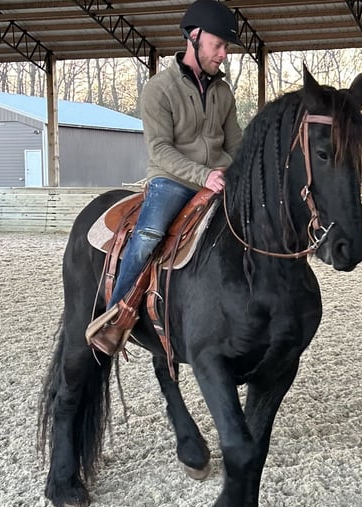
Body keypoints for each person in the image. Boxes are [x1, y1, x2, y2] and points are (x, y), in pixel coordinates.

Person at [87, 0, 244, 355]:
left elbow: (236, 144)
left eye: (226, 48)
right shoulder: (159, 89)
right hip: (172, 179)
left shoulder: (223, 91)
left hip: (218, 178)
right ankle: (117, 315)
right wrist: (204, 175)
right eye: (218, 45)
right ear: (195, 36)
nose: (223, 54)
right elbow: (160, 151)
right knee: (148, 234)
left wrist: (238, 172)